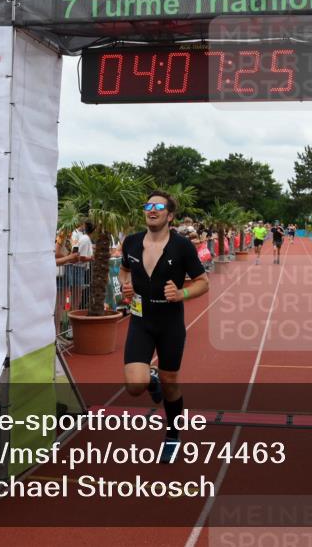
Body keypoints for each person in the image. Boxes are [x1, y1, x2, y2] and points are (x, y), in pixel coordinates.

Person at [119, 191, 209, 463]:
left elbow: (203, 282)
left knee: (171, 384)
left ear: (170, 215)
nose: (152, 209)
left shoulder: (182, 246)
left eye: (159, 206)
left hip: (170, 323)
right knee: (135, 385)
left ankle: (172, 435)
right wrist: (124, 286)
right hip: (140, 320)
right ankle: (151, 378)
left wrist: (181, 294)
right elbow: (124, 271)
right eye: (148, 205)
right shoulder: (132, 242)